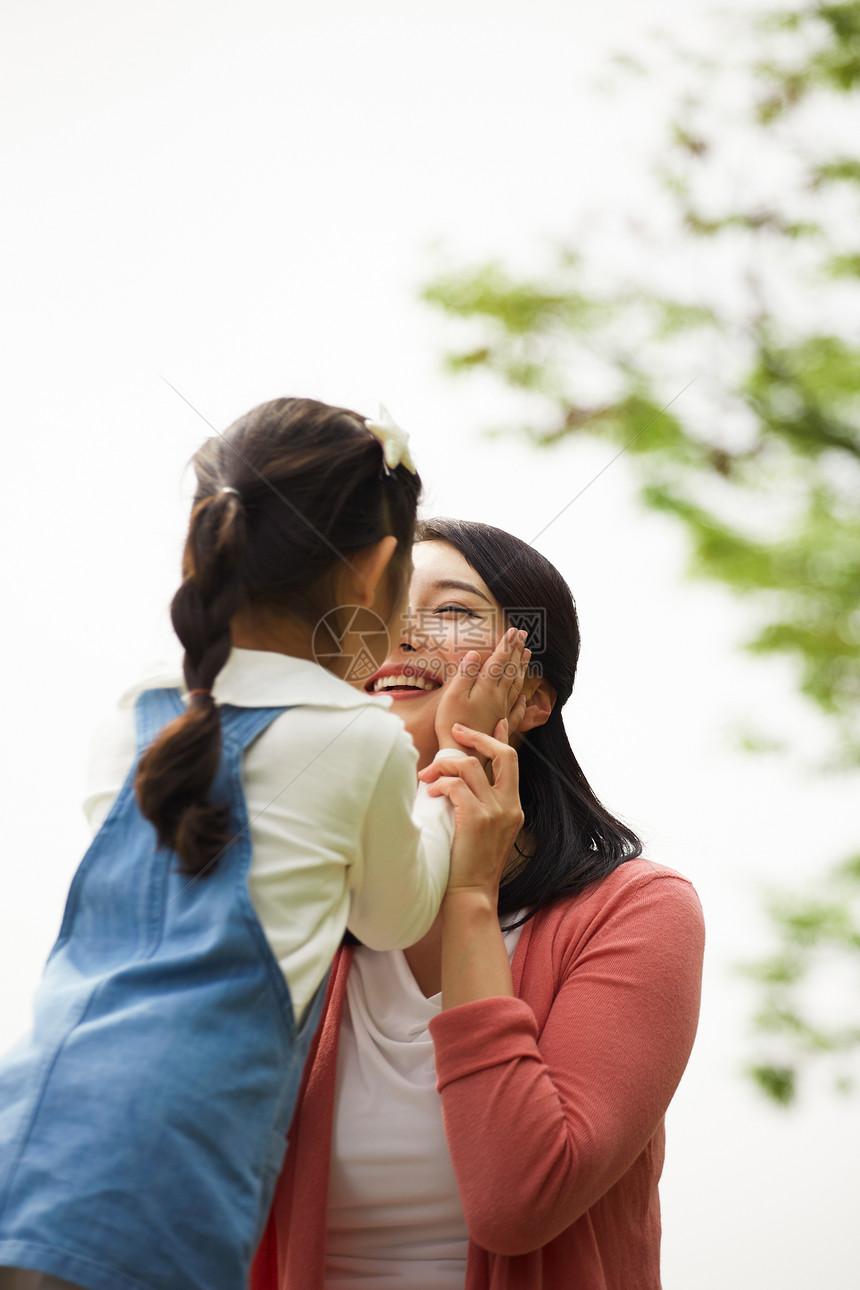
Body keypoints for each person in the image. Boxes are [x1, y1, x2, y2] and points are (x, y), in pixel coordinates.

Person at [0, 404, 529, 1290]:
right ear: (377, 572)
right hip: (173, 1152)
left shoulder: (135, 716)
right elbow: (396, 915)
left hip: (35, 1116)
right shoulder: (357, 738)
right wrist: (452, 758)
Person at [250, 518, 706, 1290]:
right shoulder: (295, 894)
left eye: (452, 611)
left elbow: (518, 1199)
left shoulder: (639, 912)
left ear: (533, 696)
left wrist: (468, 893)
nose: (400, 634)